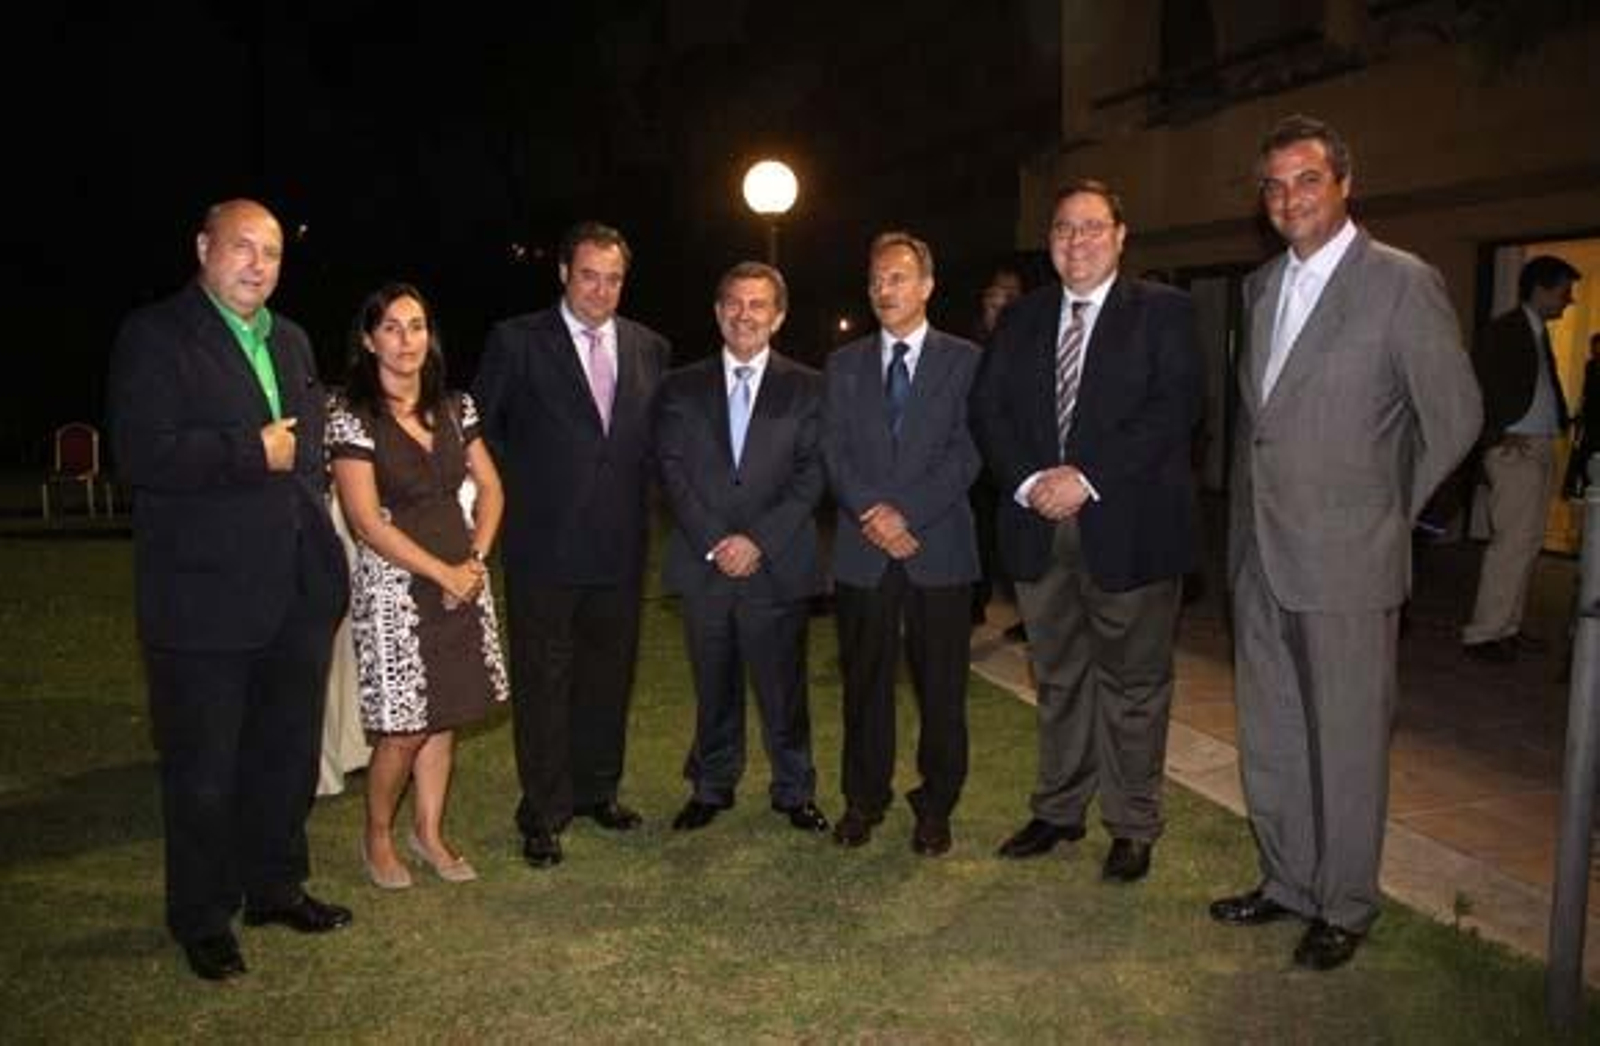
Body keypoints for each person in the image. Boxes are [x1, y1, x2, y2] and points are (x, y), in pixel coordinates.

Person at [1213, 115, 1481, 970]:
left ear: (1343, 184)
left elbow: (1456, 415)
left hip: (1350, 562)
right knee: (1274, 731)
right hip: (1260, 554)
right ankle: (1288, 882)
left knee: (1348, 739)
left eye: (1307, 180)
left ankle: (1347, 902)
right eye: (1275, 184)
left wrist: (1386, 514)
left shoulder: (1401, 283)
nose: (1289, 197)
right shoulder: (1258, 289)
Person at [108, 199, 352, 982]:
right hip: (203, 599)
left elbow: (307, 446)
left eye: (272, 252)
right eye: (242, 247)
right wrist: (250, 451)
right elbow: (143, 455)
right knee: (205, 768)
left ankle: (276, 885)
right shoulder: (155, 336)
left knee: (284, 756)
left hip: (293, 590)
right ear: (204, 247)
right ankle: (203, 915)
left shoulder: (291, 339)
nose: (257, 264)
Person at [970, 179, 1201, 884]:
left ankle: (1133, 825)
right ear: (1051, 240)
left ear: (1121, 235)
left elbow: (1176, 410)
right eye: (1065, 228)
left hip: (1128, 527)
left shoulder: (1165, 312)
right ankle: (1059, 810)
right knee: (1061, 678)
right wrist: (1030, 481)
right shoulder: (1023, 319)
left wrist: (1085, 476)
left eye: (1093, 226)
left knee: (1133, 686)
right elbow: (989, 409)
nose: (1078, 240)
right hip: (1039, 525)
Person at [473, 221, 671, 868]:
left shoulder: (649, 347)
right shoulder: (517, 341)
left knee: (608, 679)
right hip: (543, 549)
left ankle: (596, 792)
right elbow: (483, 435)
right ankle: (544, 810)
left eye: (613, 278)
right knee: (544, 680)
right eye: (589, 275)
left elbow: (649, 448)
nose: (601, 289)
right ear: (563, 272)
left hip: (620, 548)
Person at [328, 283, 509, 889]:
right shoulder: (352, 415)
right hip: (396, 590)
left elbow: (491, 489)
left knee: (445, 716)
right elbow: (364, 521)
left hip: (464, 577)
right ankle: (377, 836)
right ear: (368, 339)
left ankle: (428, 833)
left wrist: (475, 563)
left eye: (417, 326)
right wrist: (443, 574)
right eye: (393, 328)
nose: (407, 340)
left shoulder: (458, 407)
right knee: (404, 728)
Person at [654, 261, 830, 835]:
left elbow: (812, 474)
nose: (744, 314)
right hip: (704, 563)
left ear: (777, 317)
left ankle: (794, 788)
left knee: (783, 688)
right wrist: (715, 540)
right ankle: (711, 785)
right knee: (713, 683)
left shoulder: (809, 386)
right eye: (733, 302)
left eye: (758, 305)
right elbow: (671, 470)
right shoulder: (679, 386)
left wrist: (757, 540)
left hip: (774, 563)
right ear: (717, 311)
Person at [822, 231, 982, 856]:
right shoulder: (844, 364)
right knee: (865, 686)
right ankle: (864, 799)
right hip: (864, 554)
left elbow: (969, 450)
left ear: (927, 285)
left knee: (942, 691)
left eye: (897, 277)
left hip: (936, 549)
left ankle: (935, 805)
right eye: (876, 280)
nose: (884, 289)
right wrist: (871, 512)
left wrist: (904, 512)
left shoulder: (967, 360)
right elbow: (832, 449)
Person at [1462, 256, 1583, 662]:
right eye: (1565, 291)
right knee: (1511, 544)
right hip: (1516, 449)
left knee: (1527, 543)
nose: (1570, 300)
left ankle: (1506, 627)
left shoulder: (1537, 334)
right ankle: (1482, 634)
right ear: (1542, 289)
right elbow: (1475, 385)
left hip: (1540, 446)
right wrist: (1495, 435)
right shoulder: (1503, 332)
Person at [968, 264, 1025, 632]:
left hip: (1020, 457)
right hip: (980, 458)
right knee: (981, 533)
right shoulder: (974, 344)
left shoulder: (1030, 332)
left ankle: (1030, 612)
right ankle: (975, 601)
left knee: (1018, 537)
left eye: (1010, 292)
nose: (1001, 298)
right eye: (995, 293)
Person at [1562, 333, 1600, 500]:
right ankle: (1583, 486)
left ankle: (1584, 486)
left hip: (1595, 416)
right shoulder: (1590, 366)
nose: (1595, 350)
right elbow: (1585, 392)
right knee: (1584, 453)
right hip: (1591, 416)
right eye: (1594, 347)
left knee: (1586, 453)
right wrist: (1579, 413)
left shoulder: (1591, 366)